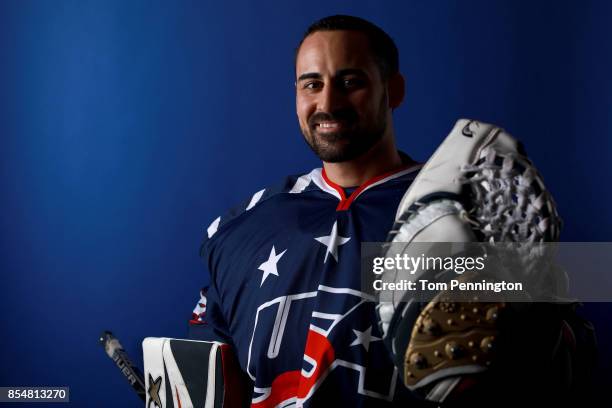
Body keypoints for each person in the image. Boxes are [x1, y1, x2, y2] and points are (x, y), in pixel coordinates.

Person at [189, 15, 426, 407]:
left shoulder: (464, 215)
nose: (328, 103)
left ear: (393, 90)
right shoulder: (239, 228)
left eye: (350, 83)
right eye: (312, 84)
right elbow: (206, 376)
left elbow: (551, 355)